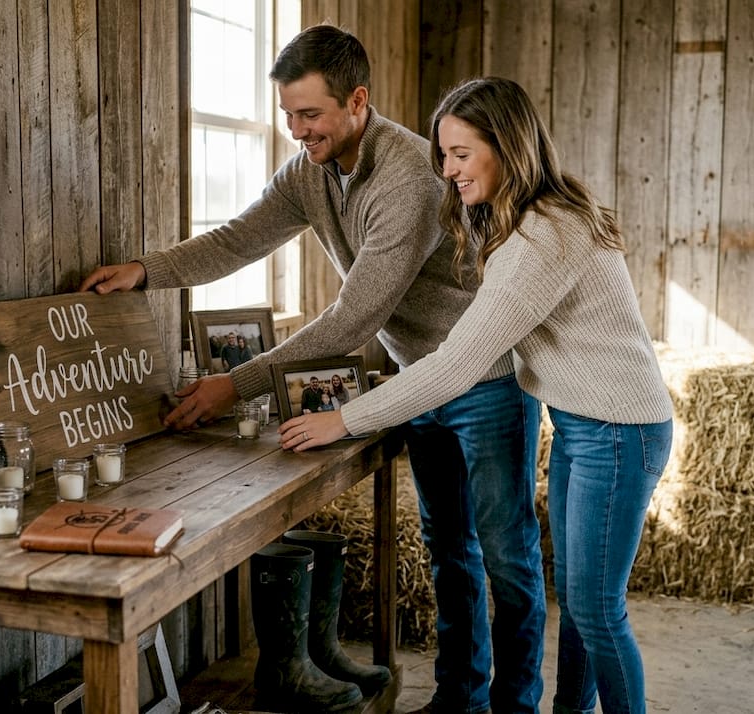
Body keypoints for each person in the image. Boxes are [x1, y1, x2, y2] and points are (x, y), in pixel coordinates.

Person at [79, 26, 543, 714]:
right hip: (419, 378)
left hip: (486, 381)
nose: (297, 131)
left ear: (357, 101)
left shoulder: (410, 176)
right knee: (450, 553)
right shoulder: (310, 171)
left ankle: (517, 706)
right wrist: (150, 271)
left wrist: (232, 384)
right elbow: (239, 237)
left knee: (507, 559)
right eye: (288, 115)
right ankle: (459, 700)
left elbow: (352, 320)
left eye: (311, 115)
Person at [278, 76, 675, 714]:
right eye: (443, 154)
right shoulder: (525, 221)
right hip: (583, 426)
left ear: (508, 146)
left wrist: (344, 420)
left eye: (462, 154)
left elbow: (458, 362)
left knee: (598, 613)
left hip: (619, 432)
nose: (448, 170)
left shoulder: (543, 237)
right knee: (579, 605)